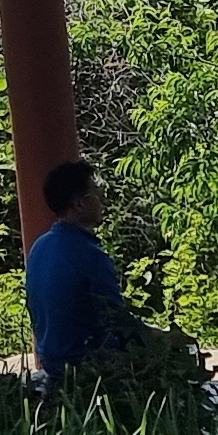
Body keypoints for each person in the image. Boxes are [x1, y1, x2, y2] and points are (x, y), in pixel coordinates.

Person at [24, 157, 129, 386]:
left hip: (52, 364)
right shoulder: (89, 254)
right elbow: (118, 323)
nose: (102, 200)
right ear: (79, 204)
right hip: (86, 367)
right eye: (96, 193)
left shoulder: (39, 247)